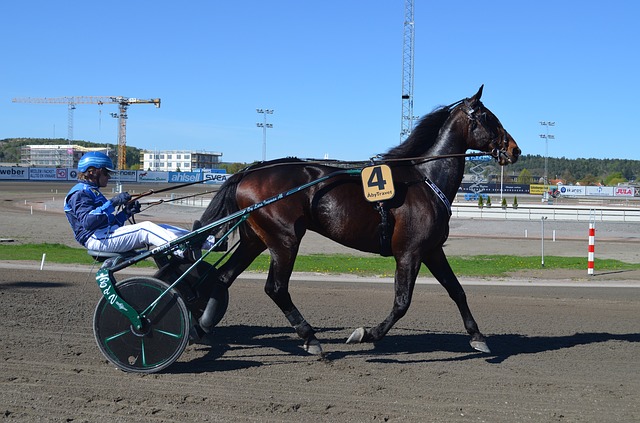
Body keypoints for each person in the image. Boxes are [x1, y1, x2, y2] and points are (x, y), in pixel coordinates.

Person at [64, 151, 209, 262]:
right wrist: (113, 203)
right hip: (95, 240)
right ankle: (182, 251)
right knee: (145, 228)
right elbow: (88, 223)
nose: (109, 176)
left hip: (104, 235)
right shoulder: (79, 193)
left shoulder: (92, 191)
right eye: (106, 172)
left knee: (162, 227)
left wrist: (125, 213)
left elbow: (107, 222)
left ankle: (208, 241)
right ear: (92, 171)